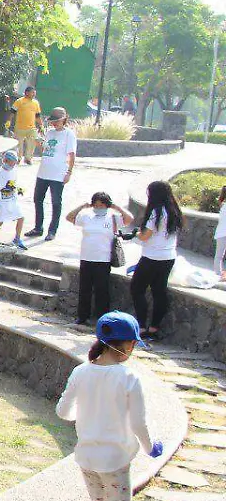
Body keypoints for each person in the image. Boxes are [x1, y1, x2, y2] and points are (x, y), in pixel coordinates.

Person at [56, 311, 163, 501]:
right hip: (115, 460)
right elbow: (137, 423)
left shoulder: (80, 372)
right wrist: (150, 447)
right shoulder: (129, 378)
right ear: (129, 345)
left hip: (86, 457)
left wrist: (88, 414)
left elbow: (63, 412)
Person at [67, 193, 133, 326]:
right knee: (84, 289)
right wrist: (82, 206)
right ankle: (82, 316)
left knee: (101, 290)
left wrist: (116, 207)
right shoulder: (87, 217)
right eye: (96, 205)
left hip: (103, 259)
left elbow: (129, 219)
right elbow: (69, 217)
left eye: (101, 205)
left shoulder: (113, 218)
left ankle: (102, 318)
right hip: (86, 257)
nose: (98, 208)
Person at [132, 181, 183, 341]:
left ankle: (141, 326)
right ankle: (154, 328)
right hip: (168, 257)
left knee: (137, 288)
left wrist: (136, 234)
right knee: (159, 291)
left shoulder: (156, 212)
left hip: (151, 257)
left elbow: (145, 236)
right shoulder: (175, 211)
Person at [26, 107, 77, 241]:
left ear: (64, 120)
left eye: (57, 121)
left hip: (58, 174)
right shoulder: (50, 133)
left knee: (56, 202)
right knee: (38, 199)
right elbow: (46, 150)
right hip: (43, 171)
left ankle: (52, 230)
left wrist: (69, 172)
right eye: (53, 121)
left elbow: (72, 155)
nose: (54, 124)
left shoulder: (69, 134)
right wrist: (39, 143)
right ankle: (38, 228)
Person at [0, 150, 27, 250]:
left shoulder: (14, 171)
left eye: (14, 163)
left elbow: (14, 183)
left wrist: (19, 189)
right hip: (1, 201)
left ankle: (17, 239)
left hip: (12, 200)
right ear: (5, 161)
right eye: (11, 162)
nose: (13, 165)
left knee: (21, 218)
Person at [8, 86, 44, 165]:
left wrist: (41, 125)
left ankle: (28, 158)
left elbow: (37, 116)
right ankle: (18, 158)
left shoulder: (36, 103)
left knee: (32, 143)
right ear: (27, 93)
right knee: (19, 144)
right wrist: (9, 121)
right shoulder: (19, 101)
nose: (34, 94)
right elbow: (12, 112)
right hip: (19, 128)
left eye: (34, 92)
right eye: (32, 92)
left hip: (31, 128)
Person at [214, 186, 226, 280]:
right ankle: (219, 275)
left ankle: (218, 275)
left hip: (221, 233)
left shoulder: (222, 205)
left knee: (219, 256)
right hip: (222, 233)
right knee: (219, 256)